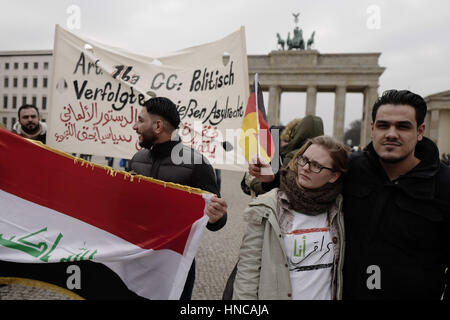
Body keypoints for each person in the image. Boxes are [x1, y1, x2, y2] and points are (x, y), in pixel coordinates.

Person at [248, 89, 450, 300]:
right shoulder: (353, 168)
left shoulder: (445, 185)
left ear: (420, 131)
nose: (391, 133)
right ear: (372, 129)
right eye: (383, 125)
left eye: (403, 126)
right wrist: (272, 180)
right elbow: (309, 187)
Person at [127, 96, 228, 300]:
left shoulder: (197, 164)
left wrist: (218, 216)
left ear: (157, 126)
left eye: (140, 120)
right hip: (135, 262)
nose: (134, 126)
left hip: (175, 266)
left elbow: (215, 222)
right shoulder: (136, 160)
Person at [233, 136, 349, 300]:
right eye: (304, 159)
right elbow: (248, 273)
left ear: (334, 176)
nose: (306, 168)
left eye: (316, 165)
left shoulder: (340, 210)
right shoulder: (268, 207)